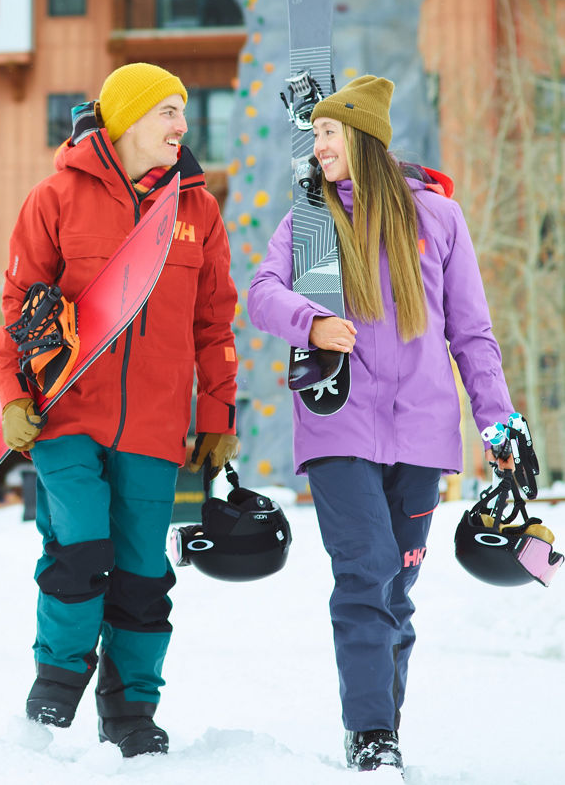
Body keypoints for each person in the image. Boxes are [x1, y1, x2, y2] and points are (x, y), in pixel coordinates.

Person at [247, 74, 520, 773]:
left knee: (397, 591)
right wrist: (314, 321)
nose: (319, 144)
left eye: (330, 132)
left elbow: (474, 335)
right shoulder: (311, 220)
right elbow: (262, 293)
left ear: (363, 139)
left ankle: (379, 730)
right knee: (365, 575)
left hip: (424, 433)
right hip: (339, 429)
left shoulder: (439, 219)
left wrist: (499, 427)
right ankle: (372, 734)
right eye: (317, 134)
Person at [0, 62, 239, 758]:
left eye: (182, 112)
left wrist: (217, 413)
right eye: (166, 112)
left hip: (155, 425)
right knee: (80, 548)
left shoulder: (199, 211)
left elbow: (215, 324)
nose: (180, 126)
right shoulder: (57, 198)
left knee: (140, 572)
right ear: (126, 118)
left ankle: (132, 709)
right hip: (65, 415)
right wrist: (13, 396)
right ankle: (59, 675)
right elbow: (19, 308)